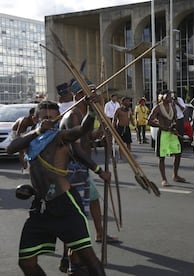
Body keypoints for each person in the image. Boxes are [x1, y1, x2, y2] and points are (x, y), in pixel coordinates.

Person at [7, 99, 106, 276]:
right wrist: (38, 131)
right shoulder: (31, 140)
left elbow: (81, 130)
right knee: (26, 262)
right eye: (44, 117)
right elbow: (11, 148)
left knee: (89, 260)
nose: (49, 121)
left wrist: (91, 111)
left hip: (64, 204)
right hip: (41, 207)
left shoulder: (60, 136)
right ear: (35, 118)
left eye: (53, 118)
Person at [59, 80, 117, 272]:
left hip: (81, 170)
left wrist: (99, 134)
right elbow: (76, 150)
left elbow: (87, 136)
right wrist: (100, 171)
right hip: (73, 171)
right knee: (76, 217)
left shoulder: (83, 115)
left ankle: (98, 235)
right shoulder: (72, 116)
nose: (96, 97)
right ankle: (72, 260)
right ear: (78, 96)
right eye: (90, 94)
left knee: (90, 203)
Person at [148, 90, 186, 187]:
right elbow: (149, 121)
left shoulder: (173, 106)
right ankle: (164, 179)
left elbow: (175, 118)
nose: (171, 97)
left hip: (172, 133)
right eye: (168, 96)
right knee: (162, 157)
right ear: (163, 97)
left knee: (178, 153)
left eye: (171, 96)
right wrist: (162, 127)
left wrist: (174, 127)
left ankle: (175, 175)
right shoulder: (157, 108)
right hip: (163, 134)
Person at [11, 107, 36, 174]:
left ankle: (30, 165)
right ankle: (25, 168)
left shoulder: (35, 120)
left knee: (29, 149)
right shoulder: (24, 120)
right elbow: (18, 133)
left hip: (26, 132)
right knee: (22, 151)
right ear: (30, 114)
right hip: (16, 133)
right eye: (34, 115)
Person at [113, 97, 135, 161]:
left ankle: (129, 156)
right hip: (120, 128)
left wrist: (134, 125)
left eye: (128, 101)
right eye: (126, 101)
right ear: (122, 102)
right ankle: (120, 157)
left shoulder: (129, 110)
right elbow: (114, 119)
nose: (128, 102)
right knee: (121, 143)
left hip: (127, 127)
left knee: (128, 142)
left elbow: (131, 118)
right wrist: (113, 127)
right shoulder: (119, 110)